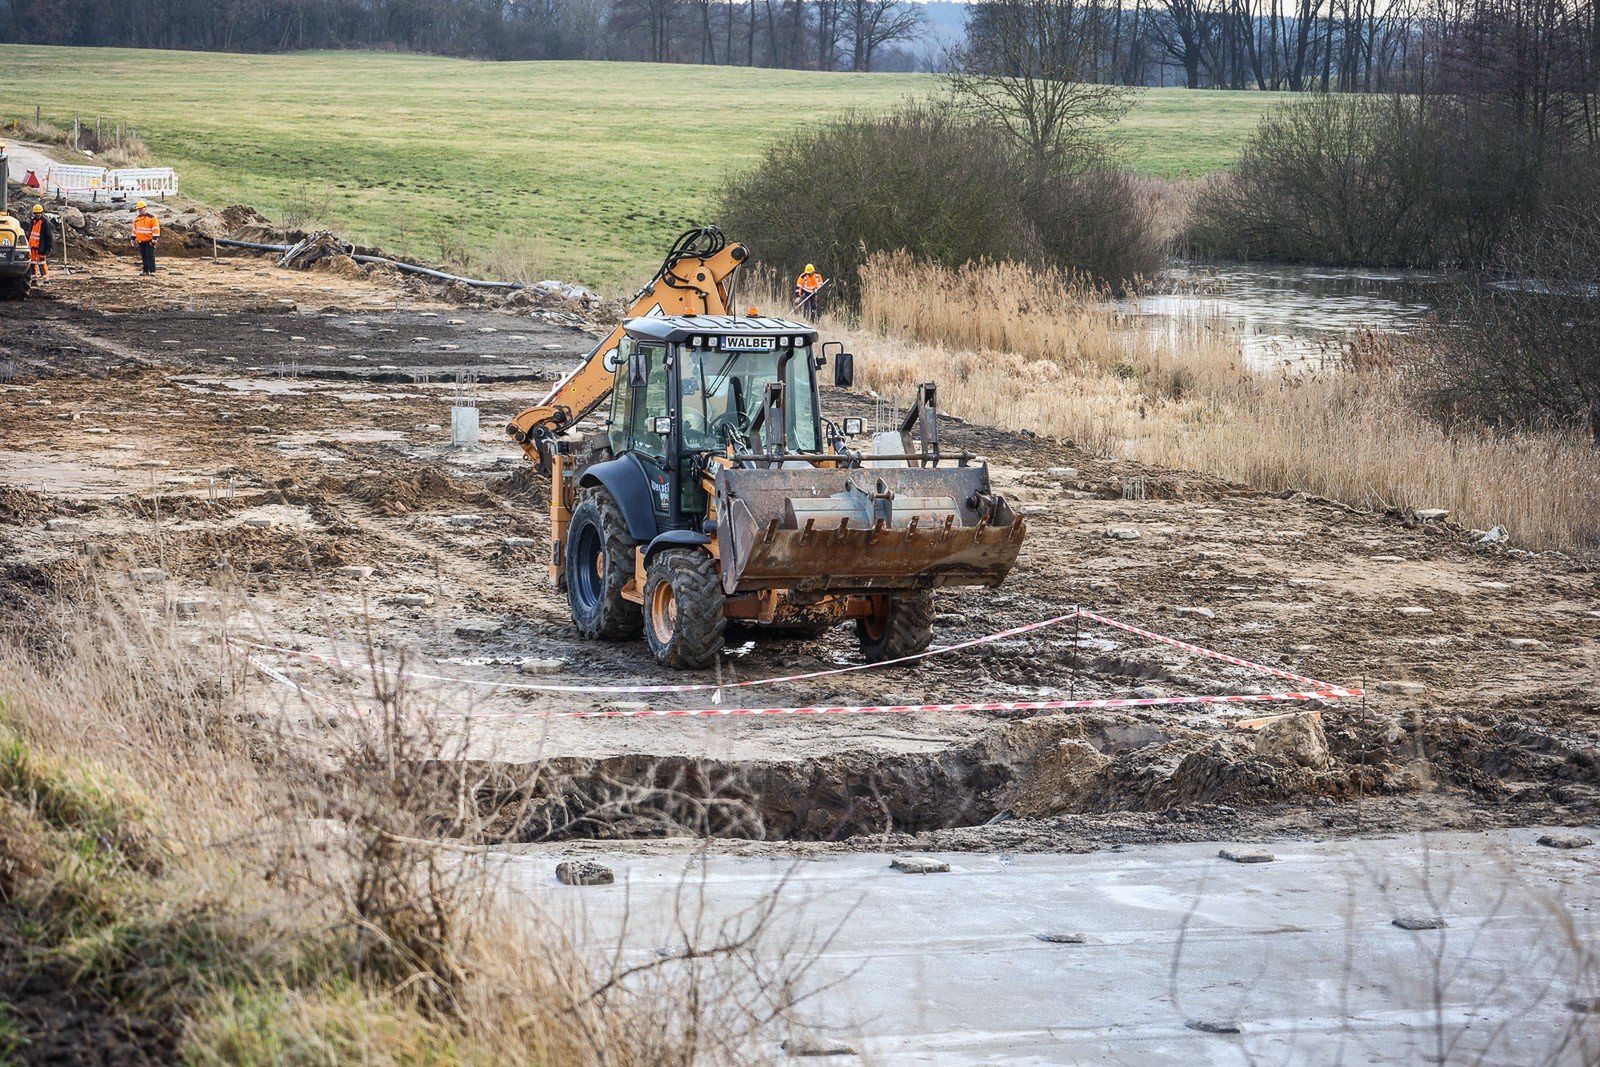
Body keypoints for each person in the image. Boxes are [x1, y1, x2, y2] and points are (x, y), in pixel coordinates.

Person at [131, 201, 160, 275]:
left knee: (150, 255)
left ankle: (152, 270)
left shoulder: (152, 218)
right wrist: (133, 239)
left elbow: (155, 229)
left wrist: (155, 238)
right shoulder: (137, 219)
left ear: (145, 208)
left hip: (149, 240)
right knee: (143, 256)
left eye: (141, 209)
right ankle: (145, 271)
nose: (140, 211)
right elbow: (134, 230)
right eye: (139, 209)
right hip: (141, 240)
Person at [27, 205, 52, 282]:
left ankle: (46, 280)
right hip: (32, 247)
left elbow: (49, 237)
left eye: (39, 213)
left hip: (41, 248)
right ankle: (34, 279)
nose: (37, 214)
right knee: (32, 264)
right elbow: (30, 233)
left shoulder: (45, 223)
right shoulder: (33, 221)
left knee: (42, 263)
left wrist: (48, 249)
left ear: (42, 213)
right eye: (36, 213)